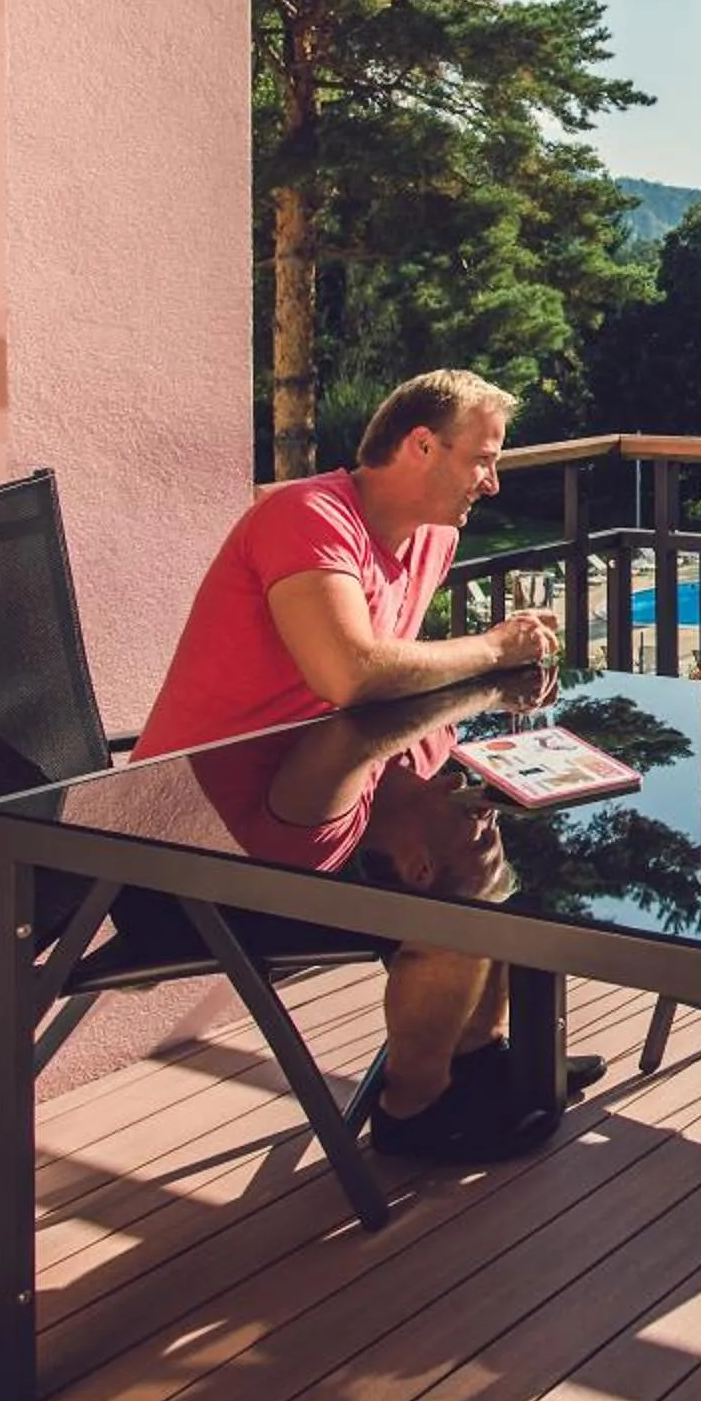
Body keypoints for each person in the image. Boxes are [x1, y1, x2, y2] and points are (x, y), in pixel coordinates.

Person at [135, 369, 577, 1162]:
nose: (494, 479)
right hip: (192, 843)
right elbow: (355, 675)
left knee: (488, 830)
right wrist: (494, 649)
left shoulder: (431, 538)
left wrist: (483, 702)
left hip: (313, 780)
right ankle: (415, 1111)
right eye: (481, 458)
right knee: (456, 888)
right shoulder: (306, 517)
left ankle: (480, 1061)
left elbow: (392, 687)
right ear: (420, 445)